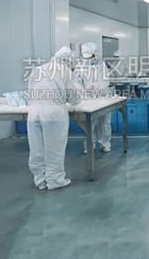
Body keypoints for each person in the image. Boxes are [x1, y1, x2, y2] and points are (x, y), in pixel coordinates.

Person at [27, 46, 82, 190]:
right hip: (53, 113)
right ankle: (55, 180)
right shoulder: (65, 72)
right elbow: (75, 97)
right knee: (54, 147)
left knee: (36, 148)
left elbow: (30, 91)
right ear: (69, 61)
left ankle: (40, 180)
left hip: (33, 112)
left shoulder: (37, 69)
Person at [76, 42, 112, 154]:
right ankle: (89, 145)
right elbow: (76, 80)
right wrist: (82, 90)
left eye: (90, 57)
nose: (87, 59)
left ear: (95, 55)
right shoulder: (80, 66)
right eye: (85, 57)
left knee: (103, 122)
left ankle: (105, 144)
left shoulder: (101, 65)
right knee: (88, 123)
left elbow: (105, 81)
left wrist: (96, 87)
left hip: (101, 97)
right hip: (87, 98)